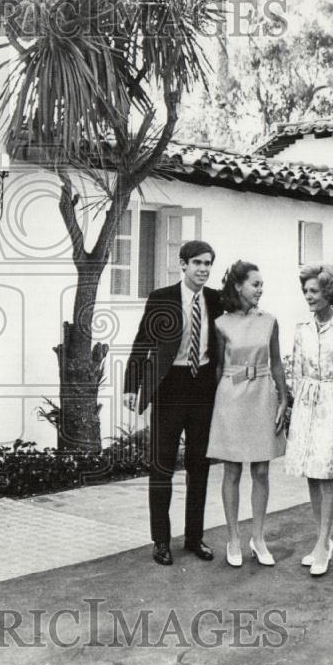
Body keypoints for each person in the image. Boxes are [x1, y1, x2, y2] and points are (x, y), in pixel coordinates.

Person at [123, 240, 223, 566]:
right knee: (162, 466)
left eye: (208, 263)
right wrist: (131, 386)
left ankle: (194, 538)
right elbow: (142, 343)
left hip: (203, 390)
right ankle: (161, 541)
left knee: (199, 467)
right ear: (183, 264)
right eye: (197, 263)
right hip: (169, 388)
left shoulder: (216, 300)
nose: (203, 269)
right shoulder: (162, 299)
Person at [205, 261, 288, 567]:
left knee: (262, 471)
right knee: (232, 471)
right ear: (238, 286)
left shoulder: (270, 321)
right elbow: (216, 368)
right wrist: (217, 408)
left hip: (262, 395)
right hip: (231, 397)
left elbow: (277, 362)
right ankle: (233, 538)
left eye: (262, 284)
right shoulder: (221, 323)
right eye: (255, 284)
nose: (260, 289)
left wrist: (283, 399)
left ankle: (259, 537)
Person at [284, 263, 333, 577]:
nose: (309, 296)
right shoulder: (302, 326)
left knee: (327, 474)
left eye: (314, 291)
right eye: (306, 291)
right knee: (312, 474)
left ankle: (323, 541)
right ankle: (321, 541)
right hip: (306, 403)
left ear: (329, 291)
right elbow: (297, 369)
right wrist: (292, 407)